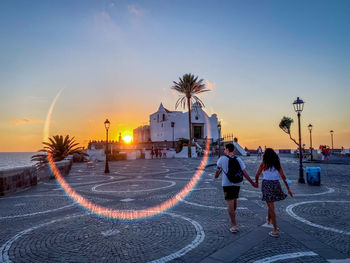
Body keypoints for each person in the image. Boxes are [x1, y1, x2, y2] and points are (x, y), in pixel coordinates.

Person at [215, 143, 257, 233]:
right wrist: (252, 182)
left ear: (226, 149)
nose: (224, 150)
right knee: (234, 200)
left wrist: (216, 174)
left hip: (227, 184)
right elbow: (244, 172)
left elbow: (217, 170)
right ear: (233, 150)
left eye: (225, 149)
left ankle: (234, 225)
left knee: (229, 203)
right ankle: (233, 215)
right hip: (237, 183)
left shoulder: (221, 159)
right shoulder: (238, 159)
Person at [255, 148, 293, 237]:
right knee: (270, 203)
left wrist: (256, 182)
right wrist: (288, 189)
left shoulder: (264, 164)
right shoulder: (277, 164)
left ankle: (275, 229)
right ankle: (268, 219)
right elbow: (284, 177)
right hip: (276, 184)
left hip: (267, 184)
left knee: (271, 206)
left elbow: (257, 175)